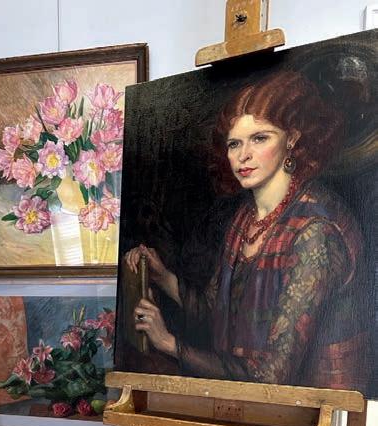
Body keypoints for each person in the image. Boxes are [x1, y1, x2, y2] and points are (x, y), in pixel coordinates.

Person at [125, 70, 369, 393]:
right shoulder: (245, 220)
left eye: (260, 138)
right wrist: (164, 277)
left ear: (292, 139)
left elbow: (272, 376)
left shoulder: (315, 233)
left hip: (314, 405)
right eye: (234, 144)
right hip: (253, 399)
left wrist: (170, 344)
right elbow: (217, 310)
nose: (243, 156)